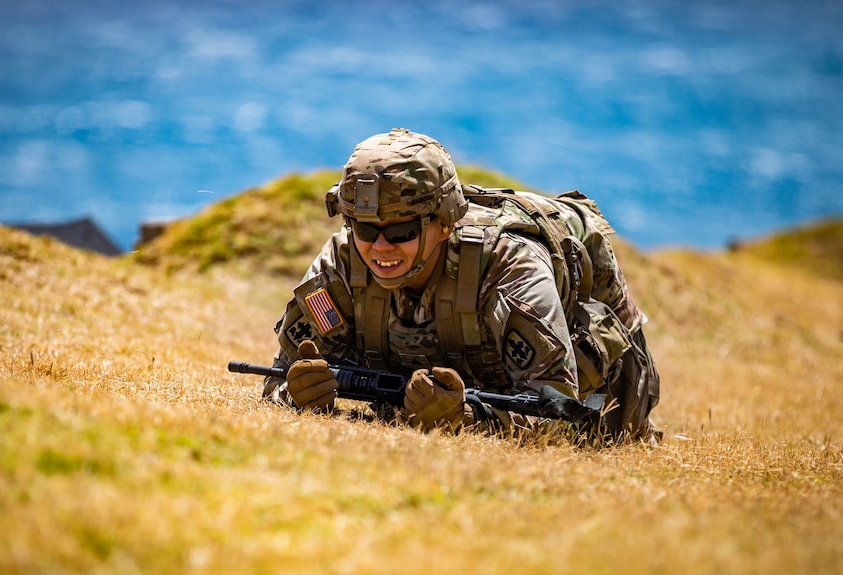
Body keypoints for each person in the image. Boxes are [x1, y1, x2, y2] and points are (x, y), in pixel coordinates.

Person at [263, 128, 660, 443]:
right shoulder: (341, 263)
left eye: (400, 230)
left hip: (604, 376)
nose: (380, 247)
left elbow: (559, 415)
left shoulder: (509, 267)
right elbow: (278, 376)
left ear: (445, 223)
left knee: (610, 428)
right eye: (365, 229)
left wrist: (466, 418)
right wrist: (298, 391)